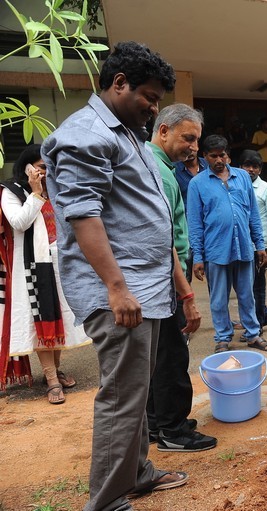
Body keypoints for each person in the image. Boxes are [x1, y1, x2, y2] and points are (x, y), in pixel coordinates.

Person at [42, 41, 188, 510]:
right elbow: (83, 216)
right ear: (118, 83)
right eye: (148, 96)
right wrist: (116, 288)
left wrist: (174, 286)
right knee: (123, 397)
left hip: (145, 288)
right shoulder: (86, 134)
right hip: (121, 294)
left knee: (136, 392)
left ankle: (139, 472)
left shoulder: (128, 133)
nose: (153, 107)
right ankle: (105, 501)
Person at [145, 103, 215, 452]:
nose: (194, 147)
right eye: (188, 138)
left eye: (196, 140)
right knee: (172, 353)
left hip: (163, 275)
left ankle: (157, 424)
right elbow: (164, 241)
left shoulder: (158, 165)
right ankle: (173, 430)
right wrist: (187, 295)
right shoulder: (155, 170)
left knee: (159, 351)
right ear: (163, 131)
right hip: (165, 276)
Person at [0, 145, 90, 403]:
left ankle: (55, 369)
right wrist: (36, 193)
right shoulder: (12, 192)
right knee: (41, 321)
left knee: (59, 317)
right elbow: (18, 222)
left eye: (50, 166)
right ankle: (51, 379)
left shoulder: (57, 191)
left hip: (61, 263)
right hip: (33, 266)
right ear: (27, 167)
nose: (47, 171)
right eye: (41, 167)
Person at [187, 135, 267, 354]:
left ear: (228, 155)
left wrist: (260, 244)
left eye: (222, 155)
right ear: (204, 157)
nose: (219, 160)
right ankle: (222, 338)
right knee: (218, 299)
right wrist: (198, 257)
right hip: (216, 250)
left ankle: (253, 334)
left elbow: (253, 215)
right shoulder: (197, 184)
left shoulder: (242, 177)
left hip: (244, 247)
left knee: (247, 295)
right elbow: (194, 224)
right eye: (213, 155)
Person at [240, 150, 267, 332]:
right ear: (239, 167)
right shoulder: (235, 186)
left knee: (256, 287)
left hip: (260, 248)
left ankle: (257, 324)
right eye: (247, 165)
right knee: (245, 287)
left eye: (255, 166)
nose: (251, 170)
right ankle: (262, 315)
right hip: (241, 245)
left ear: (260, 169)